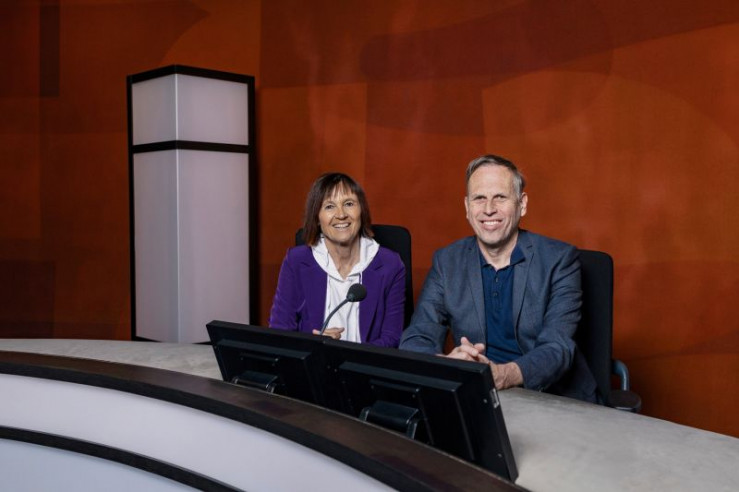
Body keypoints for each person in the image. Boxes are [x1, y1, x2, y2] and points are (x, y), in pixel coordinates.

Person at [400, 155, 597, 402]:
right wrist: (446, 365)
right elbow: (417, 337)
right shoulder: (447, 262)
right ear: (467, 207)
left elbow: (558, 349)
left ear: (522, 204)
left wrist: (503, 375)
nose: (488, 209)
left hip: (553, 397)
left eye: (500, 197)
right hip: (479, 396)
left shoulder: (559, 260)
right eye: (479, 198)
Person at [269, 172, 405, 347]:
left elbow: (392, 338)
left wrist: (351, 356)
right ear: (317, 218)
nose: (341, 215)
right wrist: (314, 344)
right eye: (329, 206)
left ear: (361, 211)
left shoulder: (390, 264)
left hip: (366, 362)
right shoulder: (296, 261)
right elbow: (280, 332)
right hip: (313, 361)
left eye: (349, 204)